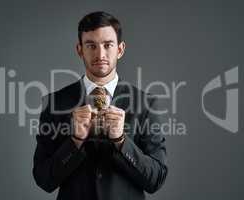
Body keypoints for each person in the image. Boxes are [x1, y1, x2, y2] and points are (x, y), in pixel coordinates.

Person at [32, 11, 168, 200]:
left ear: (120, 49)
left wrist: (121, 141)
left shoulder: (146, 104)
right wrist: (75, 141)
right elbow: (43, 179)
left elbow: (156, 180)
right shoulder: (54, 103)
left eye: (107, 45)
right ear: (80, 50)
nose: (100, 54)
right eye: (91, 45)